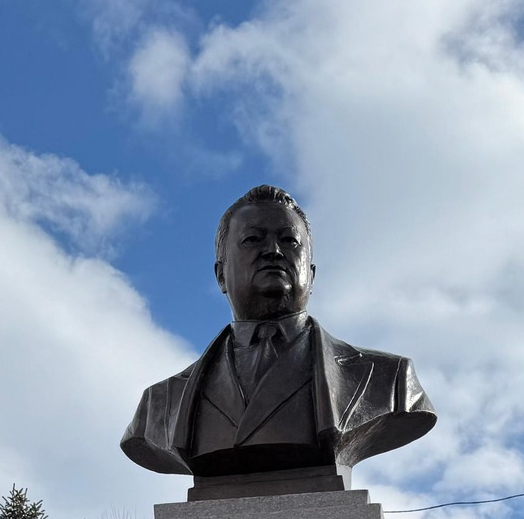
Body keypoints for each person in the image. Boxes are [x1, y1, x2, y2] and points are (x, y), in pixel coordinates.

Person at [120, 184, 435, 483]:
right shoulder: (159, 405)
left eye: (289, 241)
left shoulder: (389, 382)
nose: (272, 250)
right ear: (220, 275)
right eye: (253, 239)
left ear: (310, 276)